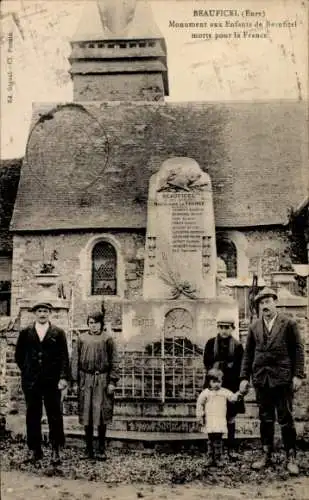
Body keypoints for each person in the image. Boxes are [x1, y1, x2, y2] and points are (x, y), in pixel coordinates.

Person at [239, 287, 305, 475]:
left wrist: (298, 375)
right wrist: (244, 377)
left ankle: (291, 456)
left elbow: (298, 351)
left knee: (285, 419)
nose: (265, 306)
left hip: (283, 379)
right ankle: (266, 455)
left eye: (268, 301)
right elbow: (248, 354)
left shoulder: (288, 324)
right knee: (265, 419)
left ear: (275, 302)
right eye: (261, 303)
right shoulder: (254, 327)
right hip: (261, 379)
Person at [15, 300, 70, 465]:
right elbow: (19, 355)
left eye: (45, 311)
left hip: (52, 382)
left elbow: (64, 357)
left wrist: (62, 378)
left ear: (50, 313)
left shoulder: (58, 333)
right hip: (31, 382)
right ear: (34, 313)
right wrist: (27, 371)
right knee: (33, 415)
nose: (42, 314)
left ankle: (55, 450)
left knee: (54, 415)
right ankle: (35, 450)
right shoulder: (26, 333)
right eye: (39, 311)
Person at [71, 309, 119, 460]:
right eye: (91, 323)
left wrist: (112, 381)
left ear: (101, 324)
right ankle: (89, 449)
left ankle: (101, 449)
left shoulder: (108, 339)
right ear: (88, 324)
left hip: (103, 379)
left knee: (101, 413)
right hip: (86, 379)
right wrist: (74, 381)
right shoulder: (81, 339)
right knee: (87, 414)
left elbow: (114, 361)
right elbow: (75, 361)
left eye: (96, 323)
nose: (93, 326)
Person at [203, 311, 245, 459]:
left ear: (232, 328)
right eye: (221, 327)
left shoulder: (238, 346)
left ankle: (231, 447)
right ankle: (213, 449)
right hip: (214, 385)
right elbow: (207, 363)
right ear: (218, 328)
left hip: (230, 385)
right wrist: (217, 370)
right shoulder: (210, 344)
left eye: (227, 327)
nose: (224, 330)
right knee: (214, 415)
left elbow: (241, 366)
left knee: (230, 417)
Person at [196, 368, 243, 467]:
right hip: (210, 420)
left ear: (222, 382)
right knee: (210, 440)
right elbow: (199, 404)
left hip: (220, 420)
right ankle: (210, 458)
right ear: (209, 382)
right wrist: (200, 416)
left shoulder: (224, 391)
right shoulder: (205, 393)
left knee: (218, 440)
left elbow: (232, 398)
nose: (217, 384)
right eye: (214, 382)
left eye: (219, 382)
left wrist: (239, 394)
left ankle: (218, 458)